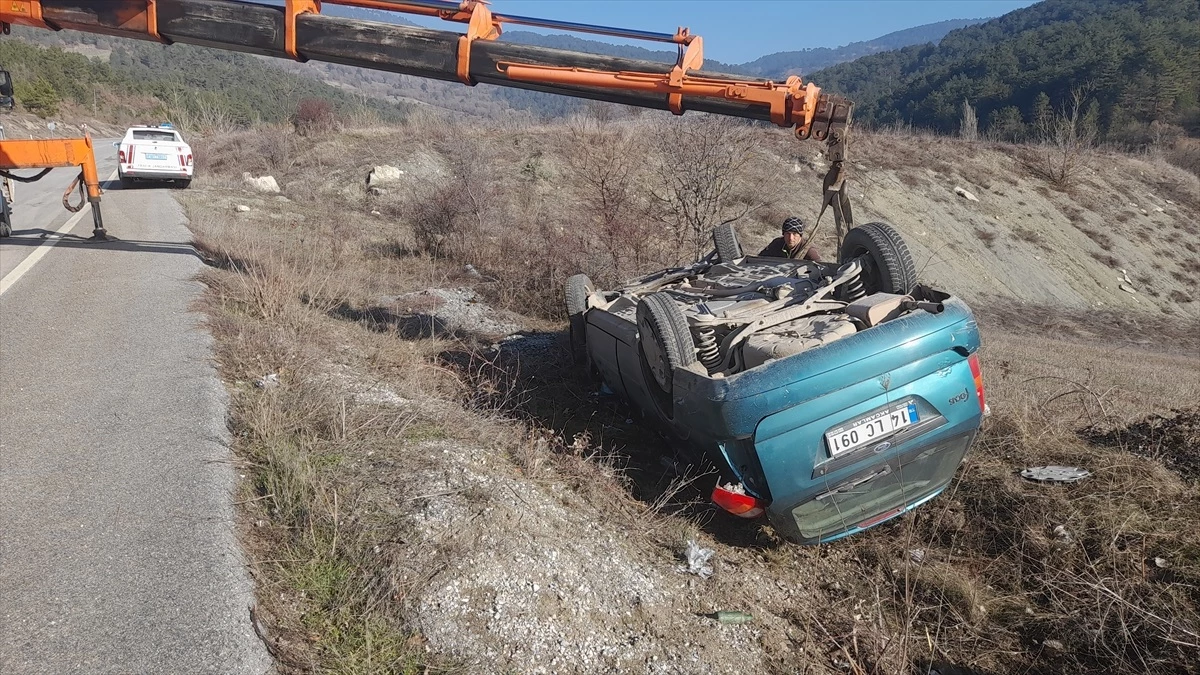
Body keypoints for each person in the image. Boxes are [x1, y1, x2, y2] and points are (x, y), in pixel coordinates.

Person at [759, 216, 823, 261]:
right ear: (783, 234)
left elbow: (820, 269)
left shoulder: (809, 250)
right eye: (787, 234)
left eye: (794, 234)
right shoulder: (777, 243)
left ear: (800, 235)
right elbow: (760, 259)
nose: (791, 238)